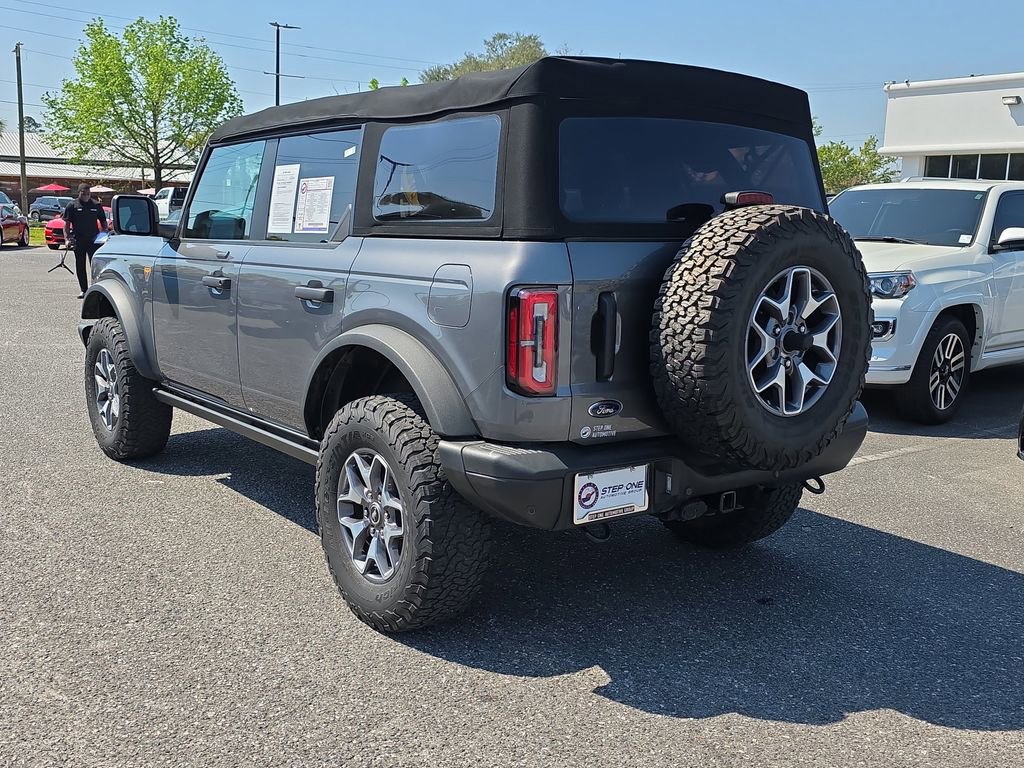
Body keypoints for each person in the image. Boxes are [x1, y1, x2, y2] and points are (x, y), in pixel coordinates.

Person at [63, 184, 107, 299]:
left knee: (95, 265)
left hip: (94, 240)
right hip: (79, 239)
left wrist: (104, 235)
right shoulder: (72, 205)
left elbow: (103, 221)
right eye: (84, 193)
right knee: (80, 265)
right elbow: (66, 224)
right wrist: (67, 239)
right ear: (79, 193)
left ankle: (96, 288)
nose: (86, 196)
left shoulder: (96, 205)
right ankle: (83, 289)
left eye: (88, 194)